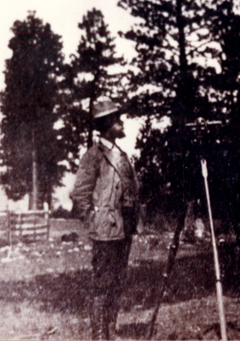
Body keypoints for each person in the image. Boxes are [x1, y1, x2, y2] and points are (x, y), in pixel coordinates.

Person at [70, 99, 139, 340]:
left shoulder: (121, 153)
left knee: (118, 281)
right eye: (117, 119)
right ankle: (100, 335)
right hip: (105, 230)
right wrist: (93, 218)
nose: (122, 123)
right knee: (102, 283)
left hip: (124, 228)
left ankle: (111, 328)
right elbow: (80, 193)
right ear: (107, 124)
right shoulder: (94, 155)